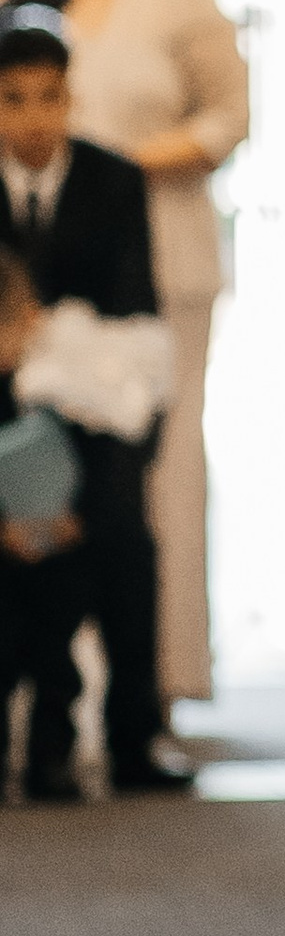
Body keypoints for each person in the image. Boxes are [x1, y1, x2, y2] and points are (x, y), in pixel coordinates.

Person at [9, 0, 248, 709]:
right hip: (40, 274)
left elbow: (229, 117)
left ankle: (162, 680)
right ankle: (45, 683)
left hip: (161, 260)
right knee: (44, 461)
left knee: (158, 467)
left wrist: (116, 168)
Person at [0, 10, 182, 798]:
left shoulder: (114, 181)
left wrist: (73, 490)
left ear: (70, 97)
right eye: (12, 99)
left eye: (49, 97)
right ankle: (41, 738)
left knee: (120, 532)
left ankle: (129, 738)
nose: (33, 117)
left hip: (94, 416)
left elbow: (136, 329)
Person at [0, 242, 85, 803]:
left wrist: (67, 520)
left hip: (52, 543)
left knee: (56, 658)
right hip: (4, 550)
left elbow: (79, 461)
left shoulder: (49, 386)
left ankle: (51, 756)